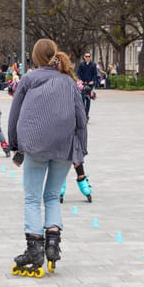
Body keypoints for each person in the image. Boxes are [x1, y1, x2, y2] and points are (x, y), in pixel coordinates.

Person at [8, 39, 88, 278]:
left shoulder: (29, 79)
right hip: (64, 146)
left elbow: (15, 115)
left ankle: (34, 249)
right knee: (52, 196)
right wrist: (80, 150)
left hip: (35, 145)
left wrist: (15, 145)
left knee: (33, 198)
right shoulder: (69, 81)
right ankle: (52, 243)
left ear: (35, 57)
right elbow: (80, 119)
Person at [54, 51, 93, 203]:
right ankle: (84, 185)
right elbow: (79, 109)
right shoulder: (72, 82)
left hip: (58, 124)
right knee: (76, 156)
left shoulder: (51, 81)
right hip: (71, 123)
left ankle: (61, 186)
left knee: (60, 157)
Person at [77, 52, 97, 120]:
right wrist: (80, 80)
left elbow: (95, 74)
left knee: (88, 99)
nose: (88, 57)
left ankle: (87, 115)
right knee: (82, 99)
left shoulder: (93, 65)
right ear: (84, 57)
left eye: (89, 56)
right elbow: (78, 73)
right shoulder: (81, 64)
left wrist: (93, 81)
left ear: (90, 57)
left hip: (90, 85)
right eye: (86, 56)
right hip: (83, 85)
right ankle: (83, 114)